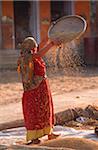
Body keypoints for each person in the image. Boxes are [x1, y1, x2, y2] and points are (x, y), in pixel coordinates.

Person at [17, 36, 61, 145]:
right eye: (35, 47)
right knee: (35, 113)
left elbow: (39, 50)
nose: (36, 49)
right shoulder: (26, 58)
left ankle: (49, 132)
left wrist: (49, 38)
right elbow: (39, 54)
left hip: (42, 87)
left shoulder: (33, 56)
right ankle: (34, 138)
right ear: (31, 49)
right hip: (33, 91)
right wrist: (51, 44)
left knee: (46, 109)